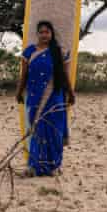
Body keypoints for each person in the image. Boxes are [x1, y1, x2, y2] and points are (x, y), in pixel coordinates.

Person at [16, 20, 75, 177]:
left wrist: (71, 93)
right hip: (34, 97)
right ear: (37, 34)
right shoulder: (29, 52)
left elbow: (65, 75)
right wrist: (19, 92)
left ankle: (54, 166)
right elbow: (24, 76)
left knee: (54, 131)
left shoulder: (59, 52)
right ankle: (34, 166)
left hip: (55, 97)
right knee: (37, 130)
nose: (44, 35)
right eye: (41, 32)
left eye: (47, 32)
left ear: (51, 34)